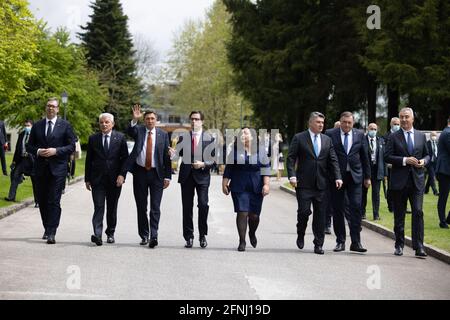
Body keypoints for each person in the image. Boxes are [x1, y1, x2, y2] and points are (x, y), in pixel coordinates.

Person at [287, 112, 342, 254]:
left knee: (321, 215)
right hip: (304, 183)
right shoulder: (299, 138)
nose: (321, 125)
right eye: (318, 122)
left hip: (322, 184)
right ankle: (300, 233)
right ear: (310, 123)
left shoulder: (326, 140)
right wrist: (292, 176)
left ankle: (318, 244)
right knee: (304, 212)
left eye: (322, 123)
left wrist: (338, 177)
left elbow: (333, 160)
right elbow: (291, 158)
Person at [26, 98, 76, 244]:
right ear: (45, 108)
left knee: (54, 200)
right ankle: (47, 227)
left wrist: (56, 151)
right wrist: (39, 151)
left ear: (58, 109)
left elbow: (71, 146)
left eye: (53, 106)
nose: (50, 109)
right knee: (42, 200)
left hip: (58, 169)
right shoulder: (38, 125)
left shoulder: (65, 125)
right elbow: (29, 146)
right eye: (48, 106)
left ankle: (52, 231)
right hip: (40, 168)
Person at [384, 107, 429, 257]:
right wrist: (404, 160)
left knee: (418, 211)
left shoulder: (421, 136)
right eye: (401, 117)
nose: (403, 120)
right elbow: (387, 156)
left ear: (412, 119)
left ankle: (419, 246)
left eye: (406, 117)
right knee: (399, 215)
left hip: (417, 181)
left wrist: (424, 161)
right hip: (399, 182)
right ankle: (399, 244)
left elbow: (428, 155)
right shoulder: (393, 136)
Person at [125, 105, 171, 248]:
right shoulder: (139, 130)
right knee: (141, 206)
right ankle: (144, 235)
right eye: (147, 119)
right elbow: (129, 130)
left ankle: (154, 236)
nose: (150, 121)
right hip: (140, 173)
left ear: (156, 120)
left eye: (152, 118)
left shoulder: (163, 135)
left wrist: (168, 176)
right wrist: (134, 119)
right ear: (144, 120)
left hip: (157, 174)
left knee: (155, 207)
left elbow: (166, 156)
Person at [326, 111, 371, 253]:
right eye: (344, 122)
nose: (346, 125)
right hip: (337, 178)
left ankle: (356, 242)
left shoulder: (360, 135)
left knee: (356, 207)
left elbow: (365, 157)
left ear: (353, 123)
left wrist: (367, 177)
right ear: (340, 121)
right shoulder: (330, 134)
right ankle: (340, 241)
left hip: (355, 177)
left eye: (349, 123)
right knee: (338, 209)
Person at [169, 111, 215, 249]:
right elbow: (177, 155)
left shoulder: (209, 138)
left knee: (203, 205)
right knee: (187, 208)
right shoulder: (183, 137)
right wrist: (173, 154)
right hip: (187, 176)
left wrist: (203, 164)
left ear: (202, 121)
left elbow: (214, 161)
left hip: (202, 176)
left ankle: (202, 235)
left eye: (197, 119)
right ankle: (188, 237)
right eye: (192, 119)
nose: (194, 122)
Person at [222, 127, 270, 252]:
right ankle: (242, 241)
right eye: (242, 133)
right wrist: (224, 183)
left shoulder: (261, 151)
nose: (244, 134)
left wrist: (266, 185)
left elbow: (265, 168)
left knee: (254, 215)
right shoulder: (235, 151)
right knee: (242, 212)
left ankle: (252, 233)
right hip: (239, 185)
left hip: (256, 186)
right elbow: (229, 168)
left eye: (246, 132)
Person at [85, 113, 129, 246]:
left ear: (112, 124)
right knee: (98, 207)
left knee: (111, 208)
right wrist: (87, 179)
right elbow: (89, 160)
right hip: (97, 179)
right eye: (102, 122)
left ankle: (110, 233)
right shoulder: (93, 138)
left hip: (115, 179)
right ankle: (97, 235)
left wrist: (122, 175)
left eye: (107, 122)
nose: (104, 124)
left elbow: (125, 159)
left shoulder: (120, 138)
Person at [5, 120, 37, 206]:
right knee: (15, 176)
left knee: (35, 181)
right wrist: (14, 162)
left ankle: (37, 201)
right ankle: (11, 197)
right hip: (22, 160)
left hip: (32, 161)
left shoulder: (36, 135)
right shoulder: (22, 134)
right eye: (25, 125)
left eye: (28, 125)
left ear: (32, 126)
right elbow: (17, 149)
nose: (26, 127)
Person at [362, 123, 385, 220]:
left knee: (376, 194)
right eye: (371, 129)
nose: (373, 131)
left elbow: (383, 158)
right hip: (365, 170)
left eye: (375, 129)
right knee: (363, 193)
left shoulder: (381, 141)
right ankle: (362, 213)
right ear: (368, 129)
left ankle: (376, 214)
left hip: (377, 170)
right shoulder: (362, 140)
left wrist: (385, 174)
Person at [383, 117, 401, 212]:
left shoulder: (401, 135)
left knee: (401, 186)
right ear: (391, 124)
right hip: (390, 166)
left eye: (398, 124)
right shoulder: (386, 136)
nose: (397, 126)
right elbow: (385, 152)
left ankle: (402, 206)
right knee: (391, 186)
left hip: (400, 165)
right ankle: (391, 206)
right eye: (395, 124)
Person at [436, 117, 450, 229]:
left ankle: (448, 218)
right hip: (444, 170)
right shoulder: (447, 133)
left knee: (444, 196)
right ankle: (442, 221)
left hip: (446, 169)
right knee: (443, 197)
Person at [425, 131, 439, 196]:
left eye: (435, 135)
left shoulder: (437, 143)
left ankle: (426, 190)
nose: (434, 136)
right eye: (433, 135)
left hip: (435, 163)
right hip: (429, 163)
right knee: (432, 176)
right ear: (430, 136)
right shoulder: (427, 143)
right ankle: (435, 191)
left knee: (430, 177)